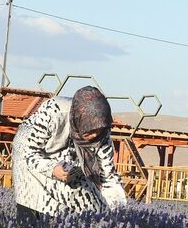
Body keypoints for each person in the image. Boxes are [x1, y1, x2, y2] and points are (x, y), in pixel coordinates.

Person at [11, 85, 127, 219]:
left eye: (98, 130)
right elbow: (29, 152)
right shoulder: (53, 113)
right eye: (90, 130)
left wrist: (116, 211)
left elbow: (107, 174)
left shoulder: (102, 129)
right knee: (35, 206)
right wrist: (52, 168)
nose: (95, 135)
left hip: (68, 161)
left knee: (91, 205)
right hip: (30, 152)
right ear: (78, 120)